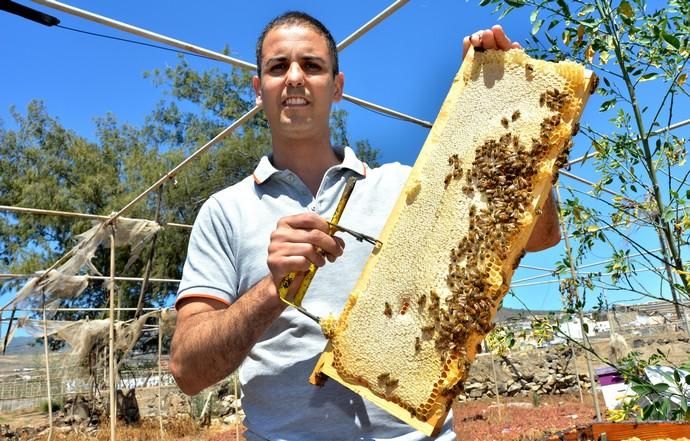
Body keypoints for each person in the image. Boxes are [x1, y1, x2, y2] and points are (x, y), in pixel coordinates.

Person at [170, 11, 561, 441]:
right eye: (278, 67)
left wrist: (516, 107)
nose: (295, 77)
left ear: (337, 87)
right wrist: (271, 290)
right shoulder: (224, 211)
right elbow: (188, 371)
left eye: (313, 66)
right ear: (258, 89)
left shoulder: (403, 184)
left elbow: (538, 236)